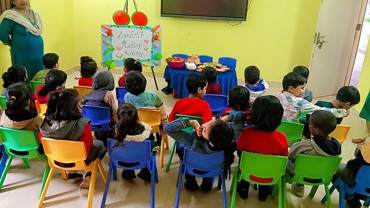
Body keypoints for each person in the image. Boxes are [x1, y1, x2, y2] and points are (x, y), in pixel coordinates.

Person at [224, 95, 288, 201]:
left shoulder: (246, 134)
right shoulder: (282, 137)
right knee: (268, 166)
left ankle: (244, 190)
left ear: (254, 115)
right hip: (270, 173)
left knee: (244, 162)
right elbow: (284, 158)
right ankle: (263, 193)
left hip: (247, 171)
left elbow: (239, 152)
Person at [39, 89, 107, 188]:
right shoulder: (82, 124)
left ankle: (71, 174)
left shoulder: (45, 124)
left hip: (56, 159)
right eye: (80, 103)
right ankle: (89, 175)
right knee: (100, 145)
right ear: (73, 108)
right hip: (79, 160)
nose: (82, 105)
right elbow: (87, 150)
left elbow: (43, 141)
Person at [164, 117, 236, 192]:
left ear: (211, 142)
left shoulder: (193, 141)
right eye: (209, 121)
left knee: (181, 149)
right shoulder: (227, 144)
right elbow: (241, 117)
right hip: (213, 169)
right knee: (210, 161)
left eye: (204, 130)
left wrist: (192, 122)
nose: (203, 125)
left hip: (193, 168)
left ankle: (191, 182)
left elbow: (167, 128)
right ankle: (207, 183)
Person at [287, 110, 341, 197]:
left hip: (298, 175)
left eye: (310, 124)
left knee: (285, 159)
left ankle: (299, 184)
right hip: (321, 177)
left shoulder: (304, 145)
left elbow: (290, 155)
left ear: (317, 130)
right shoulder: (335, 148)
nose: (308, 125)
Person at [276, 72, 348, 122]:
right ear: (291, 88)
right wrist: (342, 112)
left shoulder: (279, 95)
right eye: (302, 88)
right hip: (292, 130)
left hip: (276, 127)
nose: (303, 91)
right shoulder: (300, 103)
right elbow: (321, 111)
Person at [0, 0, 44, 79]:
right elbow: (2, 34)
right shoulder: (10, 16)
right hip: (21, 53)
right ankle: (24, 90)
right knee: (23, 73)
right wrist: (12, 43)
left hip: (38, 51)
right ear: (13, 2)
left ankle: (38, 89)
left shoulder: (35, 13)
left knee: (39, 72)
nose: (23, 1)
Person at [114, 103, 155, 182]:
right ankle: (145, 172)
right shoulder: (145, 131)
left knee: (125, 149)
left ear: (118, 117)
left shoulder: (114, 131)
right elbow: (151, 143)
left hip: (121, 160)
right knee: (152, 146)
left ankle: (128, 172)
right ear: (137, 117)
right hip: (142, 161)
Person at [84, 70, 117, 146]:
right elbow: (114, 110)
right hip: (107, 124)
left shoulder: (88, 94)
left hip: (91, 123)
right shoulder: (108, 94)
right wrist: (116, 122)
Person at [334, 141, 370, 208]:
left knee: (334, 168)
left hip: (355, 186)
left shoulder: (367, 149)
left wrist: (359, 150)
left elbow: (351, 165)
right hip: (367, 193)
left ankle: (350, 198)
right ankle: (366, 201)